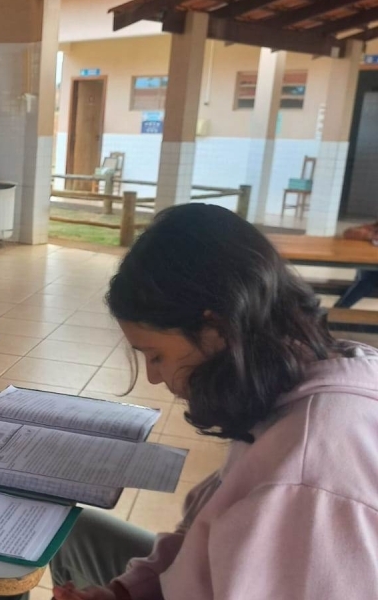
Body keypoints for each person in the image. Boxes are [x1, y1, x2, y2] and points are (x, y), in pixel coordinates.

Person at [49, 203, 378, 600]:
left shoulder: (304, 475)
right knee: (66, 534)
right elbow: (202, 529)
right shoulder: (300, 377)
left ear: (215, 328)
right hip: (193, 579)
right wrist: (125, 593)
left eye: (156, 355)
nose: (154, 377)